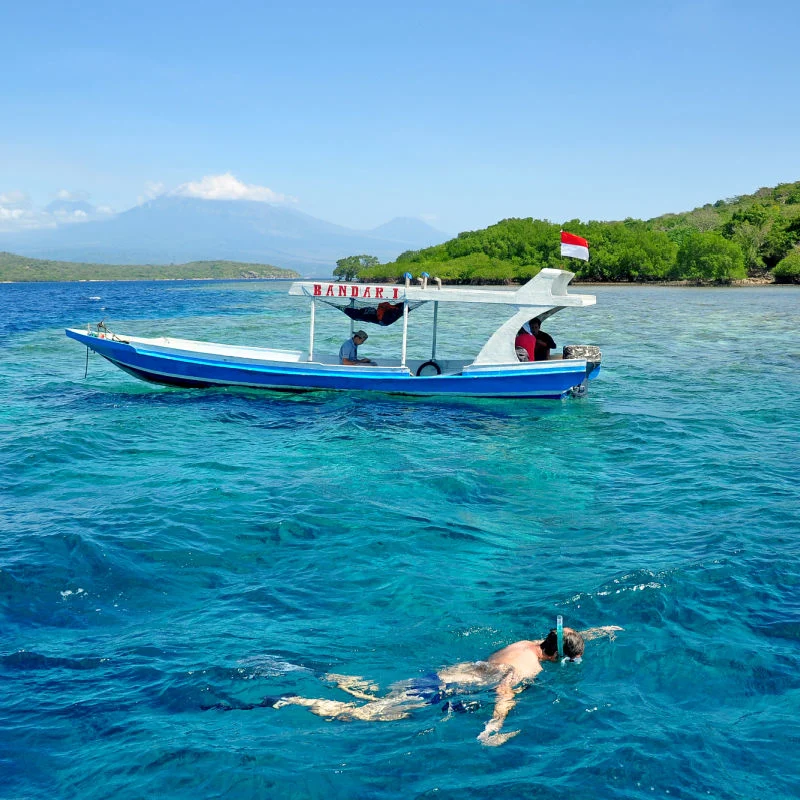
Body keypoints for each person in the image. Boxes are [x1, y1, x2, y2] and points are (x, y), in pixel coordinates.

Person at [259, 624, 622, 747]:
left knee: (380, 699)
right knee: (364, 718)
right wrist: (493, 728)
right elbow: (504, 693)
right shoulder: (530, 669)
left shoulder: (527, 646)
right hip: (438, 693)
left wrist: (596, 633)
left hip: (437, 676)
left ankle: (345, 684)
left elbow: (561, 637)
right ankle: (297, 700)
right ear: (558, 656)